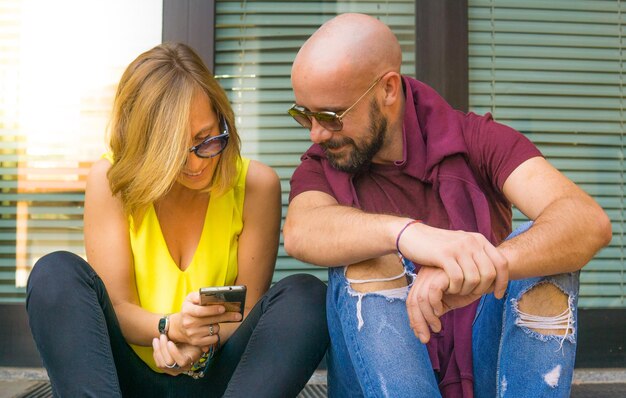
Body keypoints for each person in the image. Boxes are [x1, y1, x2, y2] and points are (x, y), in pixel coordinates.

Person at [283, 13, 611, 398]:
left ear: (388, 90)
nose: (317, 133)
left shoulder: (474, 139)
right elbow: (303, 229)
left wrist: (482, 268)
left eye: (331, 116)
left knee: (547, 260)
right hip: (375, 383)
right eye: (303, 114)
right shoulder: (321, 163)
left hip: (483, 368)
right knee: (367, 255)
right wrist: (407, 235)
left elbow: (586, 221)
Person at [26, 42, 329, 397]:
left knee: (306, 296)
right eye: (174, 151)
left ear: (222, 120)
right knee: (54, 273)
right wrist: (172, 328)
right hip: (126, 380)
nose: (197, 163)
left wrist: (197, 346)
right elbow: (119, 307)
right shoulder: (112, 180)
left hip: (221, 379)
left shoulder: (255, 185)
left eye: (206, 140)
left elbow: (246, 312)